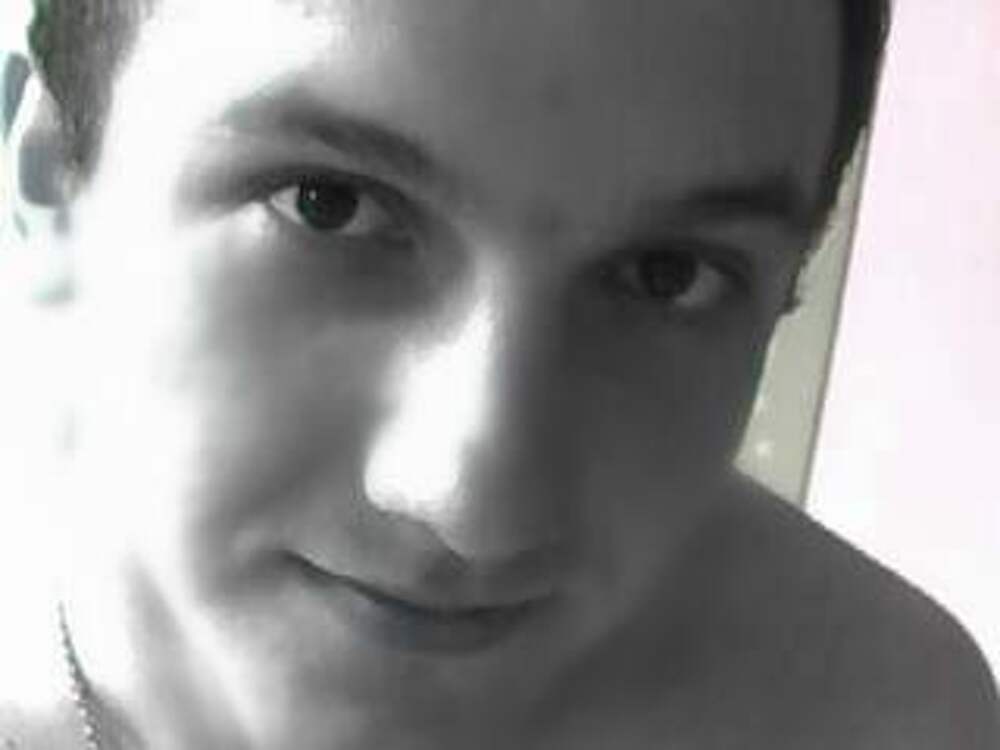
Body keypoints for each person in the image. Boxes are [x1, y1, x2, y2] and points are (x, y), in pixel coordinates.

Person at [1, 0, 997, 747]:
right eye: (328, 204)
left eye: (665, 275)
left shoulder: (878, 719)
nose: (474, 508)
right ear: (50, 181)